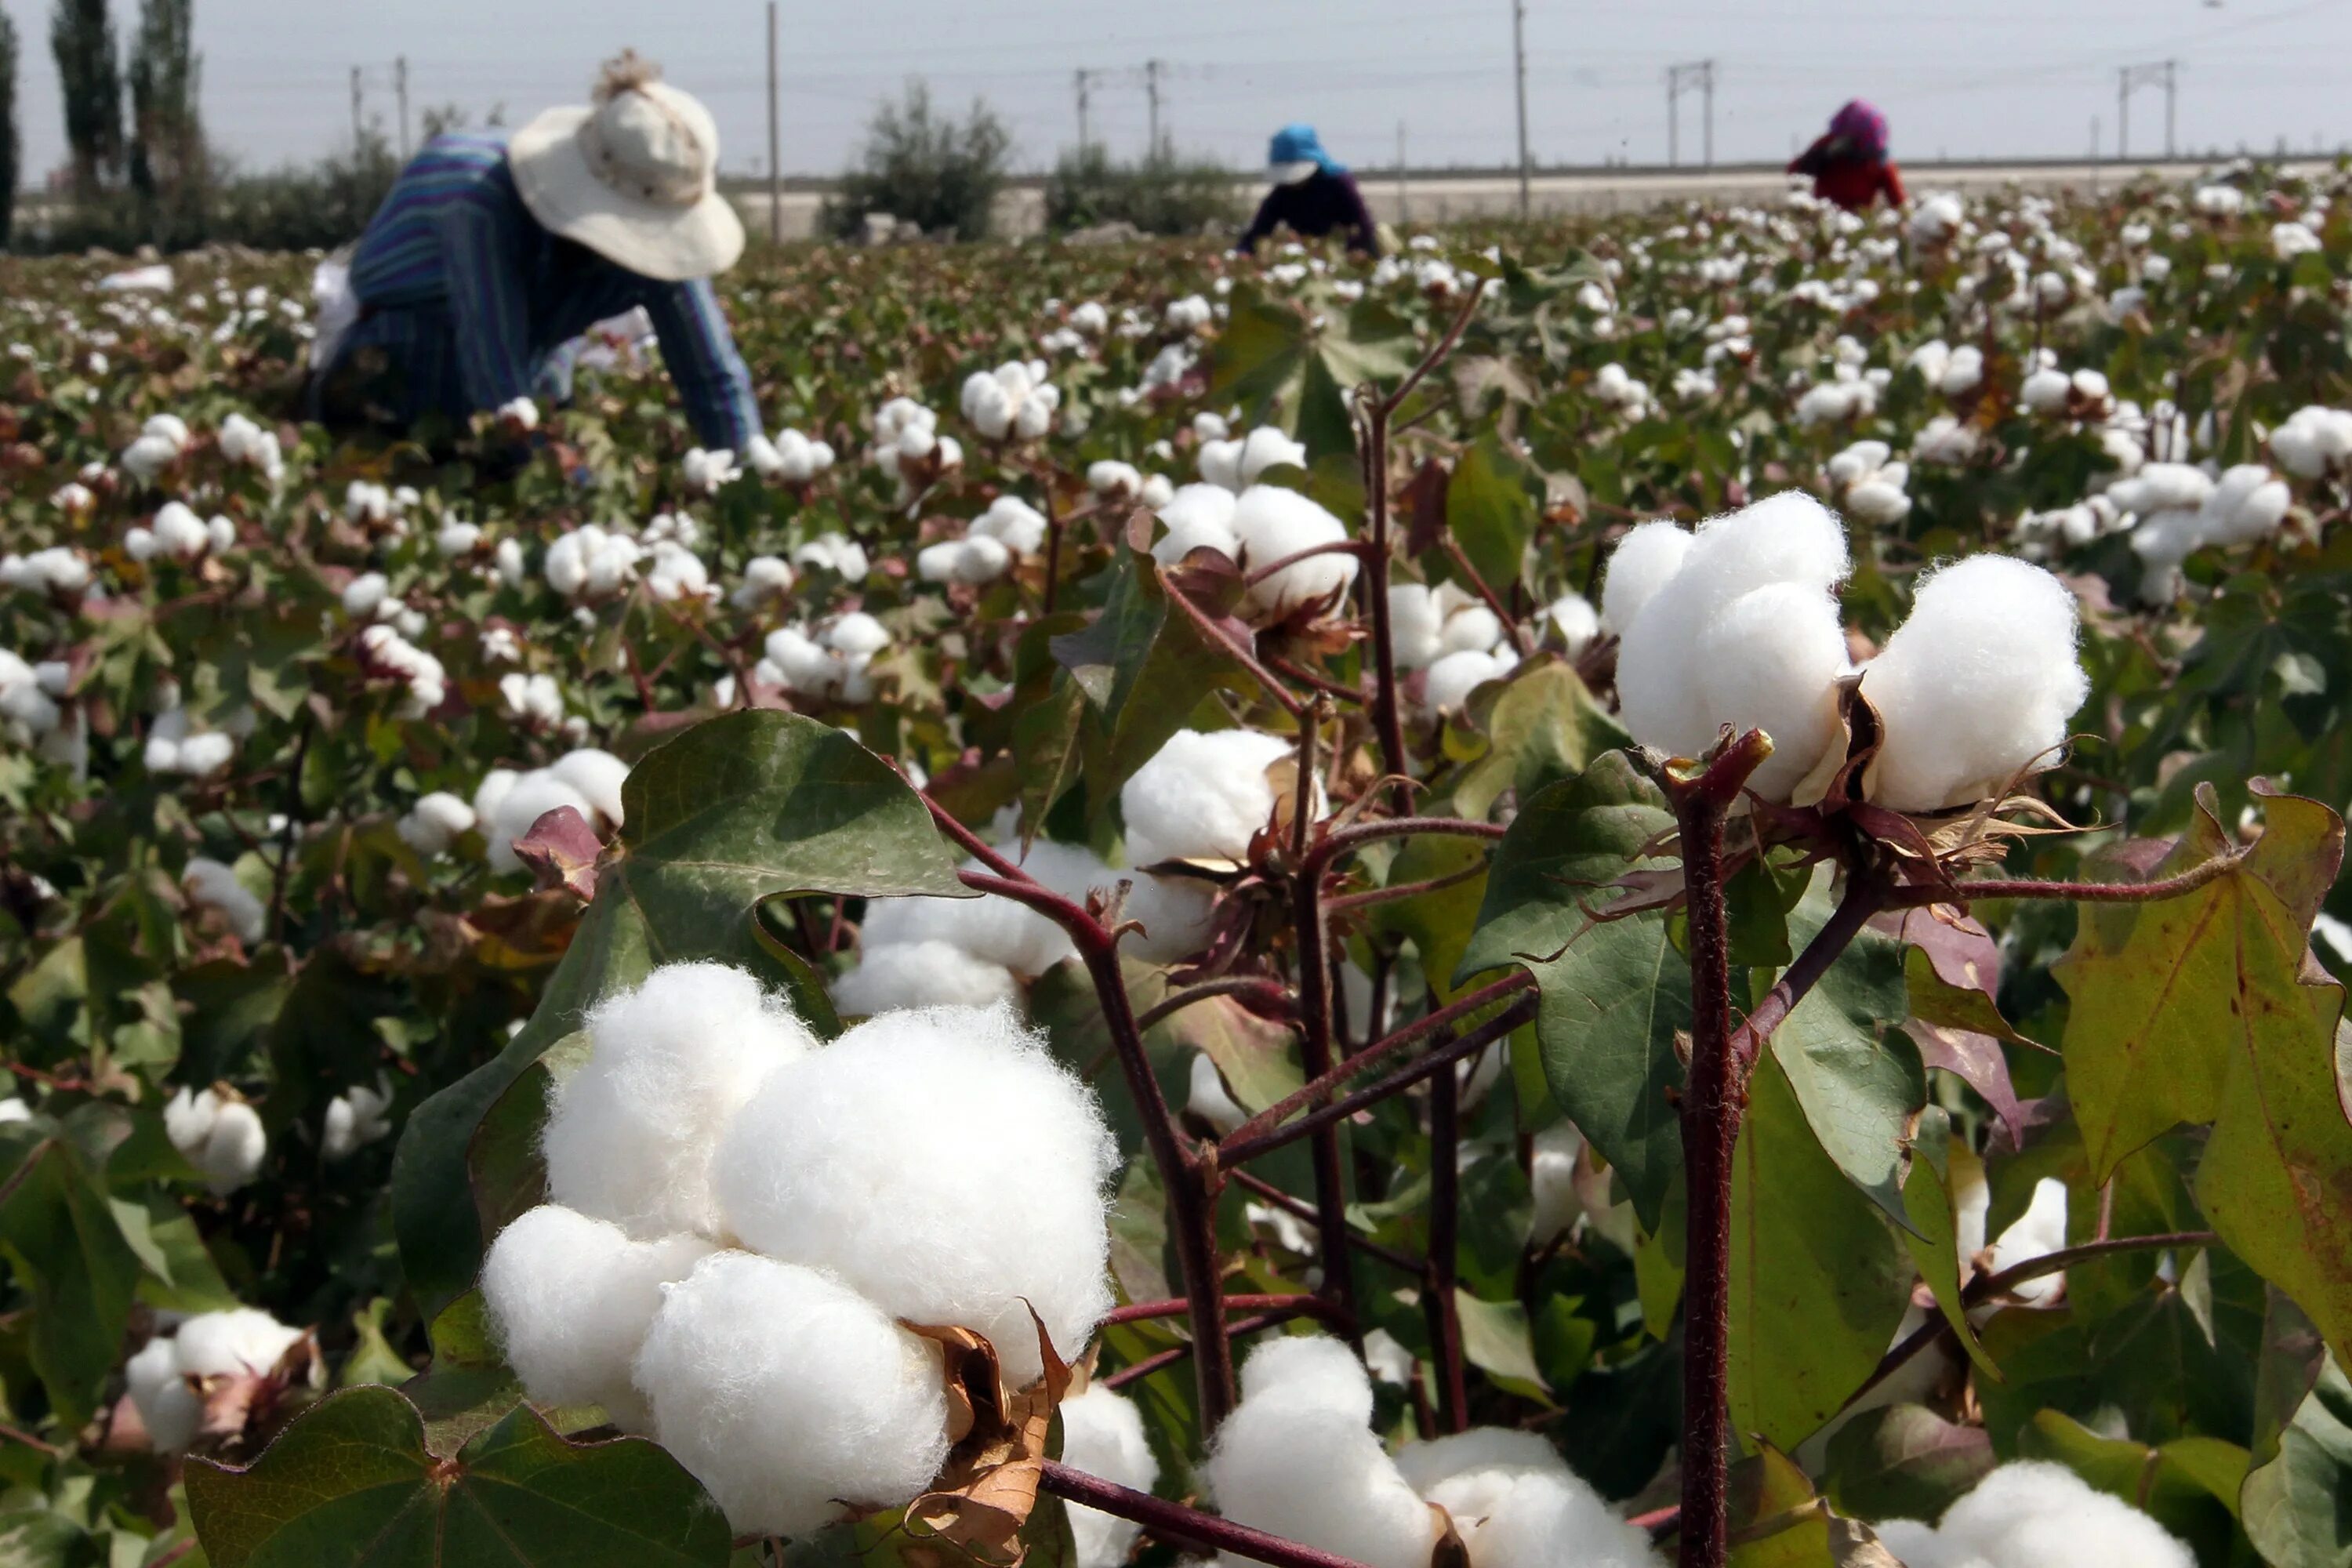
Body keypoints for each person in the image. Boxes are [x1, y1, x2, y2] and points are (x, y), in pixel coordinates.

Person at [308, 51, 760, 454]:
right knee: (451, 409)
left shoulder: (657, 186)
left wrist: (753, 478)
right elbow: (494, 365)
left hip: (535, 345)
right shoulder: (477, 197)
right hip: (403, 343)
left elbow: (713, 375)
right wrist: (546, 482)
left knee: (550, 385)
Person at [1237, 124, 1380, 256]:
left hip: (1347, 253)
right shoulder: (1282, 194)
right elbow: (1258, 232)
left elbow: (1364, 226)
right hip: (1307, 257)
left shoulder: (1339, 183)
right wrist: (1241, 255)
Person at [1789, 100, 1907, 213]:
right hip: (1824, 218)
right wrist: (1824, 154)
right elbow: (1795, 171)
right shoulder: (1829, 144)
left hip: (1859, 224)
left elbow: (1899, 201)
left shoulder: (1878, 158)